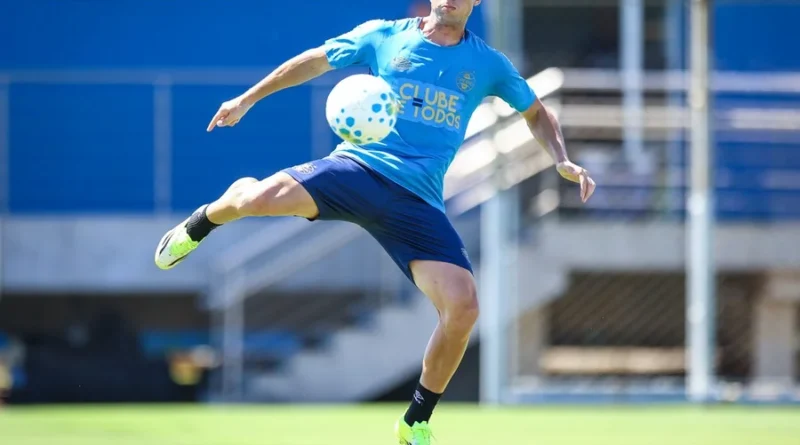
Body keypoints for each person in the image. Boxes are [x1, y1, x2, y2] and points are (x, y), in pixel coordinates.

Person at [154, 0, 596, 443]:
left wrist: (561, 159)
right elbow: (315, 59)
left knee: (463, 308)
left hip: (416, 202)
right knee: (257, 198)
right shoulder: (385, 35)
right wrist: (248, 98)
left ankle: (415, 421)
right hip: (357, 170)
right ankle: (202, 223)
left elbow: (536, 111)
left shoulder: (487, 64)